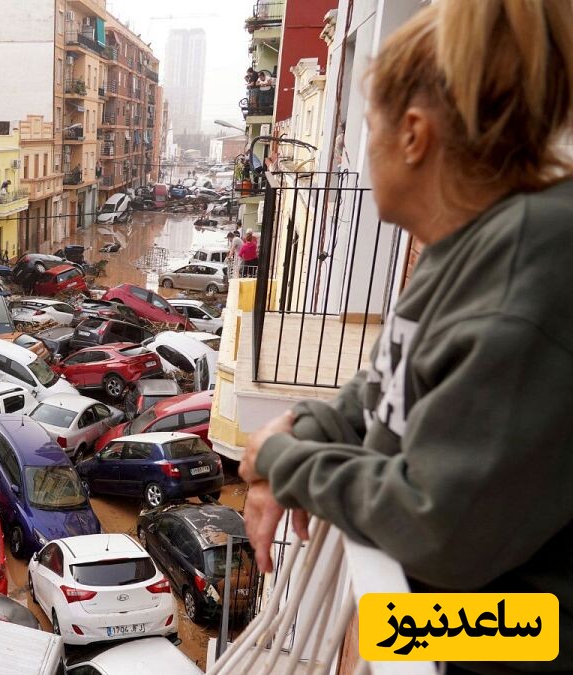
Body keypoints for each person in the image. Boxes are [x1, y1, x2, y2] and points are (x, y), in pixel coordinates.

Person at [238, 3, 573, 674]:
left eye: (369, 126)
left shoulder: (522, 274)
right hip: (468, 617)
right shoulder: (464, 245)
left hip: (532, 638)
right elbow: (384, 384)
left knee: (369, 635)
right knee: (366, 631)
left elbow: (433, 525)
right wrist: (306, 426)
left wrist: (286, 460)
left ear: (414, 135)